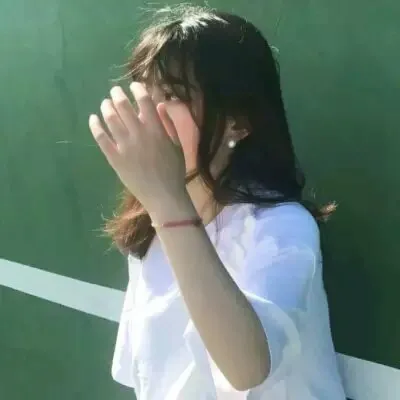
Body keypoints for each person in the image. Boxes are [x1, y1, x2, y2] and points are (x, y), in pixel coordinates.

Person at [88, 5, 346, 399]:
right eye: (143, 91)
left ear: (238, 122)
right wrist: (163, 208)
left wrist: (167, 206)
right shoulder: (151, 229)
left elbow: (248, 370)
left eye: (172, 94)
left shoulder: (281, 226)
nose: (148, 115)